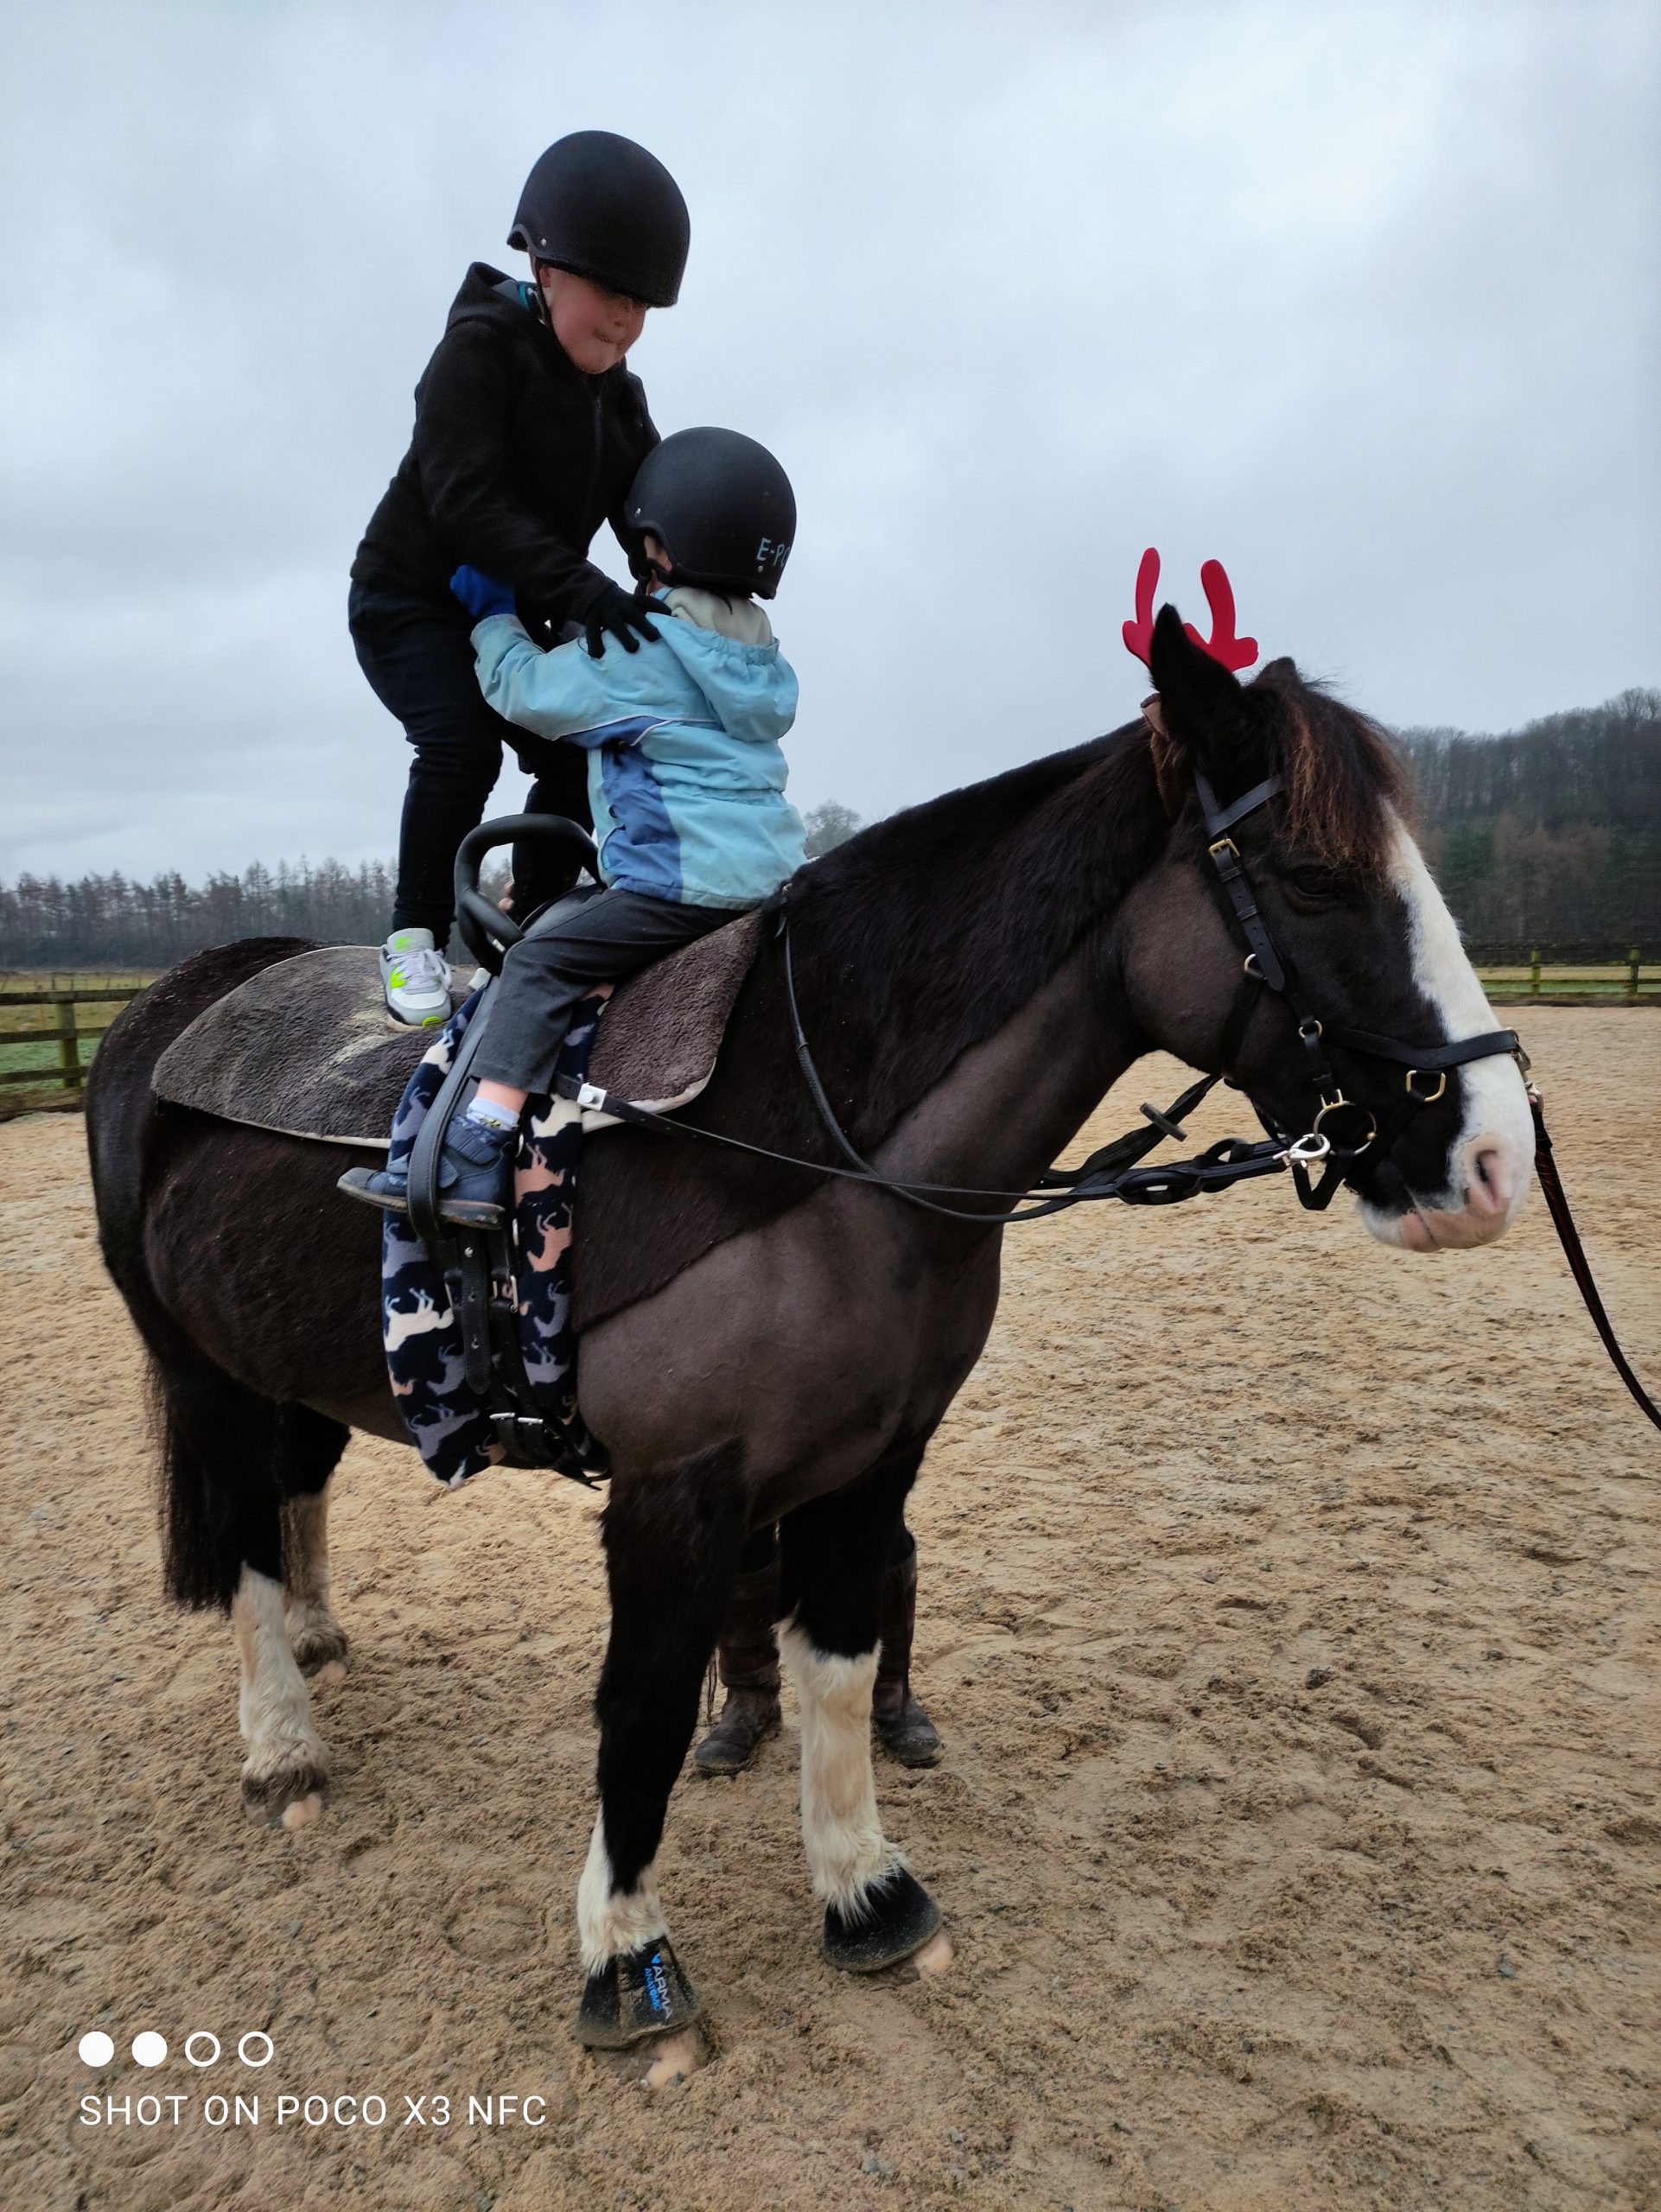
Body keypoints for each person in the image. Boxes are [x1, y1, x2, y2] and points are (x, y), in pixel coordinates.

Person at [353, 425, 804, 1223]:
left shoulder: (645, 650)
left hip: (676, 886)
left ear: (661, 543)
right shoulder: (759, 660)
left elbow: (525, 692)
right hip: (768, 881)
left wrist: (495, 617)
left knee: (540, 961)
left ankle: (473, 1144)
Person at [349, 130, 688, 1026]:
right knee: (463, 746)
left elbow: (645, 516)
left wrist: (684, 595)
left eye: (642, 307)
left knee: (589, 746)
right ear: (545, 269)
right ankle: (412, 937)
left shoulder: (619, 399)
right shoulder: (476, 353)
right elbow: (464, 504)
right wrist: (585, 594)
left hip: (516, 615)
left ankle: (533, 920)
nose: (624, 322)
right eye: (611, 296)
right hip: (409, 600)